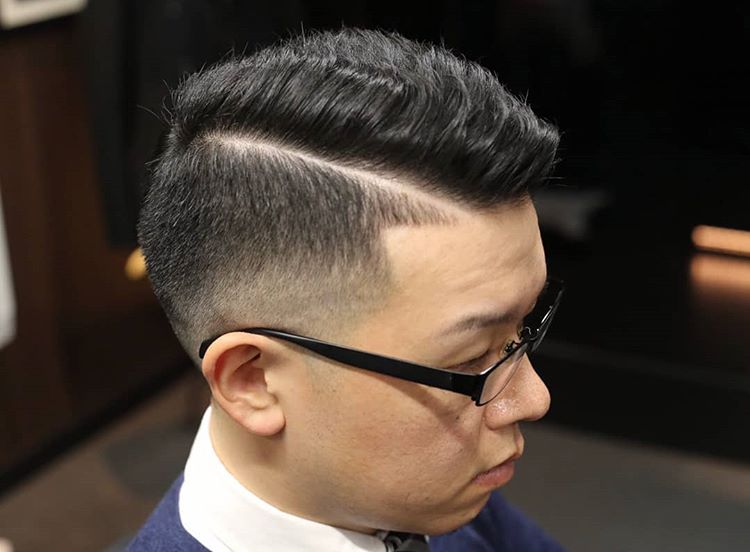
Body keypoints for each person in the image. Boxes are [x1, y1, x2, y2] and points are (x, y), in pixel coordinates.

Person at [129, 28, 565, 551]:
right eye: (471, 359)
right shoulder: (425, 484)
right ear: (253, 381)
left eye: (525, 328)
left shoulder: (435, 499)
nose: (534, 398)